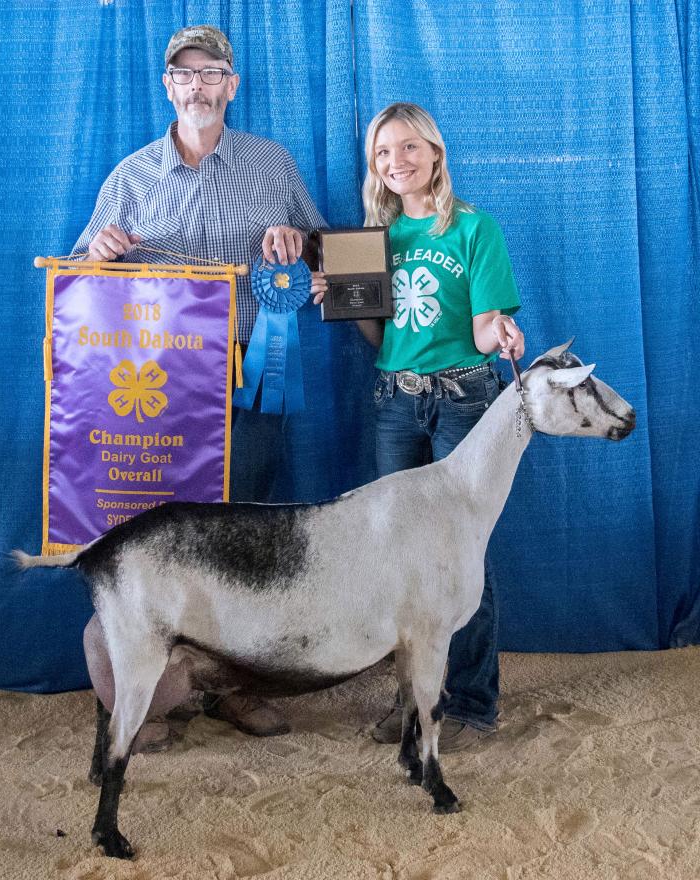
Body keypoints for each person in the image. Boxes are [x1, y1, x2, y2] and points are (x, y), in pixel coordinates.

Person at [73, 25, 327, 741]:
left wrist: (294, 244)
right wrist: (98, 252)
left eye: (211, 72)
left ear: (231, 85)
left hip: (254, 377)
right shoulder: (130, 177)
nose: (198, 85)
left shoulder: (271, 164)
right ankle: (153, 692)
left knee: (247, 537)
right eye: (184, 74)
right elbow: (76, 289)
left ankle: (235, 687)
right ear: (168, 86)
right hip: (155, 389)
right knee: (156, 538)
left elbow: (323, 250)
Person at [356, 102, 525, 752]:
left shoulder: (475, 230)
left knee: (462, 557)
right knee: (400, 559)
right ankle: (414, 701)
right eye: (382, 154)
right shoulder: (377, 241)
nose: (396, 162)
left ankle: (473, 703)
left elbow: (484, 325)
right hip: (395, 399)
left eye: (408, 148)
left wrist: (501, 331)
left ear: (434, 153)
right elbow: (383, 333)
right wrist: (340, 300)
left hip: (464, 396)